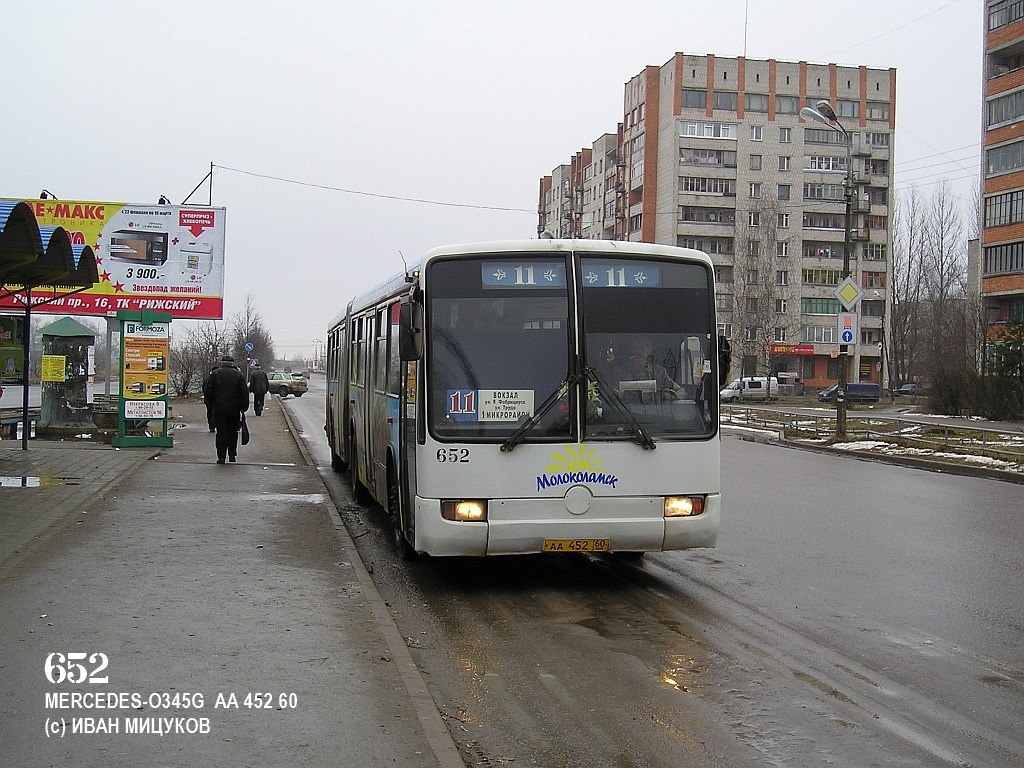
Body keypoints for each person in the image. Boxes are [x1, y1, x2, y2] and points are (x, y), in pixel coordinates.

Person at [202, 355, 249, 464]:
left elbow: (208, 390)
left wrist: (211, 404)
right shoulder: (238, 374)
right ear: (233, 363)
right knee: (233, 432)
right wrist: (243, 407)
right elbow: (244, 392)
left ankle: (221, 457)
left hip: (219, 409)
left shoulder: (215, 374)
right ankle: (232, 455)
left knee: (221, 433)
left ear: (222, 363)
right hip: (234, 409)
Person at [603, 337, 681, 402]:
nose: (638, 351)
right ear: (631, 350)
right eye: (635, 347)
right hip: (626, 415)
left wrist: (673, 395)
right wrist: (617, 396)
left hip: (658, 416)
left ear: (649, 350)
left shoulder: (660, 372)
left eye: (641, 347)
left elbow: (681, 391)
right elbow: (610, 394)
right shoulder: (619, 372)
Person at [202, 361, 220, 432]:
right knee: (217, 413)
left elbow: (204, 389)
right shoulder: (219, 380)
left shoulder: (207, 379)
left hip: (208, 400)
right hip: (217, 400)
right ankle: (216, 425)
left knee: (210, 413)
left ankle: (211, 426)